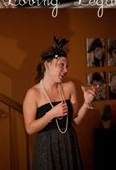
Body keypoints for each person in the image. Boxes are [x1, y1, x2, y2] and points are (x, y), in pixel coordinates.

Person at [23, 38, 95, 170]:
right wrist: (50, 115)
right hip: (46, 147)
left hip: (69, 142)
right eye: (61, 65)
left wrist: (87, 103)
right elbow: (29, 129)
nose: (66, 70)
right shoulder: (33, 93)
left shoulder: (69, 87)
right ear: (47, 65)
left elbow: (75, 120)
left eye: (67, 66)